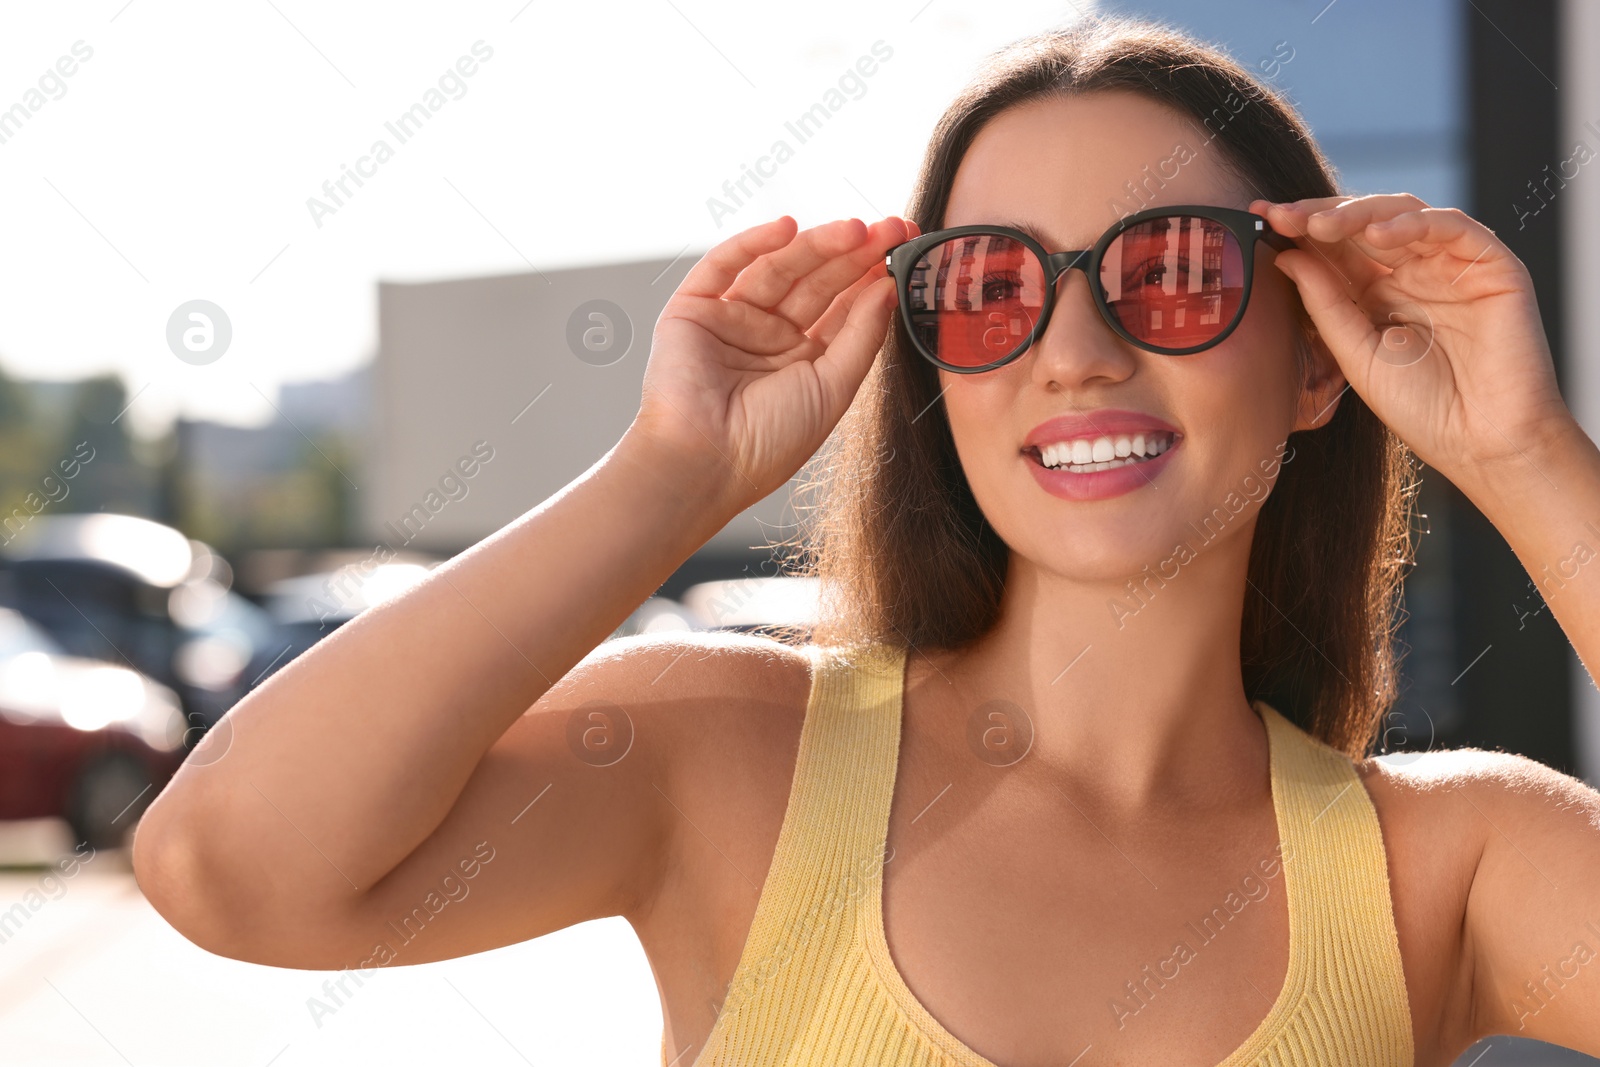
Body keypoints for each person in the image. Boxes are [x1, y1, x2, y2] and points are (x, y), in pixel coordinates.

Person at [132, 15, 1600, 1067]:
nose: (1073, 350)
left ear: (1318, 358)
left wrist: (1526, 457)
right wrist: (669, 476)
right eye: (988, 287)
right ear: (933, 360)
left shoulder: (1446, 865)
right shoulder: (730, 756)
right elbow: (231, 868)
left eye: (1166, 271)